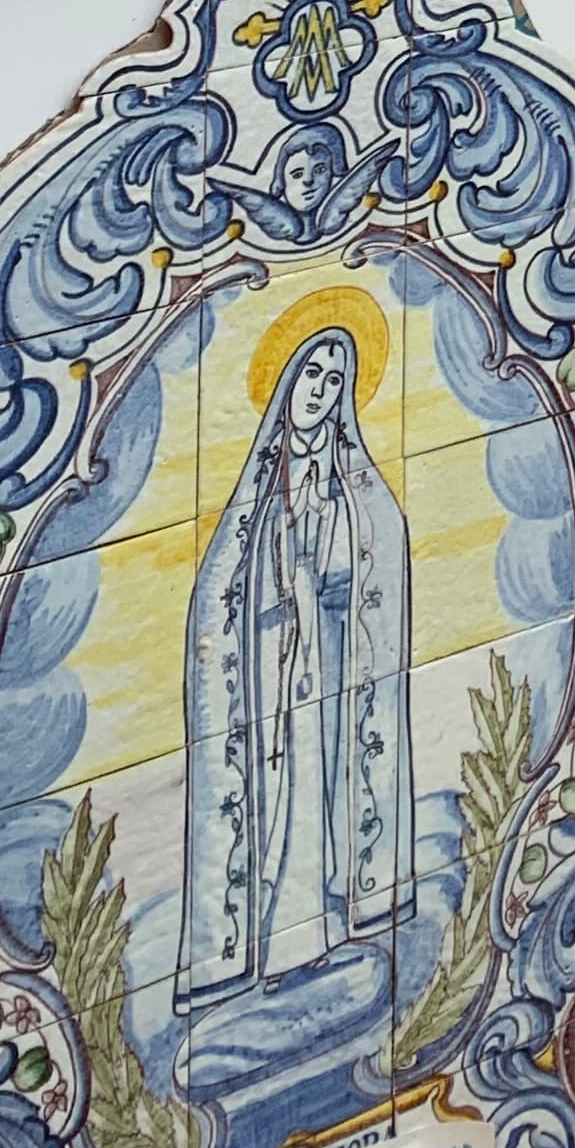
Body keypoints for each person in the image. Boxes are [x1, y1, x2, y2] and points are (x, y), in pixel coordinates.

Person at [179, 317, 413, 1005]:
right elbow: (224, 590)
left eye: (335, 379)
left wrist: (333, 566)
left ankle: (326, 930)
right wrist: (285, 592)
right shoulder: (260, 488)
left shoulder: (348, 477)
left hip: (327, 667)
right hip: (268, 671)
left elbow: (376, 552)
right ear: (285, 382)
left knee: (326, 787)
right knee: (278, 802)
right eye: (311, 374)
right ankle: (267, 948)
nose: (320, 390)